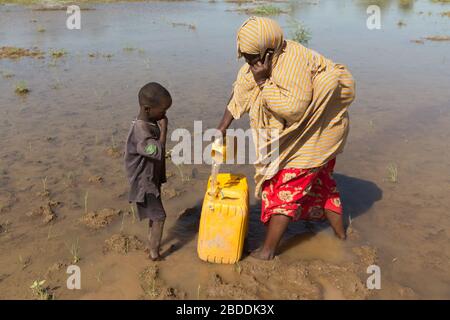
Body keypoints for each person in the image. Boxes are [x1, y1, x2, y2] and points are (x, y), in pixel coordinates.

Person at [216, 17, 356, 260]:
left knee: (285, 188)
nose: (249, 63)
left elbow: (293, 110)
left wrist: (263, 82)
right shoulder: (260, 61)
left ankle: (267, 252)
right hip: (306, 134)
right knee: (323, 187)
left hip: (316, 135)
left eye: (252, 57)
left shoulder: (293, 63)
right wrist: (222, 127)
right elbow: (241, 89)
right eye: (245, 57)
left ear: (268, 51)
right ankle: (342, 239)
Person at [124, 82, 171, 261]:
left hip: (150, 178)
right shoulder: (140, 131)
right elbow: (155, 150)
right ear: (147, 108)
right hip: (144, 182)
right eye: (163, 111)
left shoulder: (147, 122)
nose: (164, 114)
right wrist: (164, 129)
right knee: (160, 216)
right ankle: (154, 254)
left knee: (154, 214)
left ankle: (151, 246)